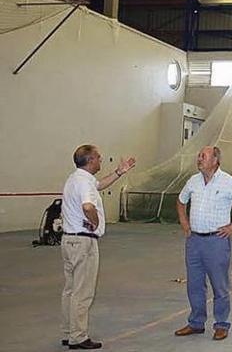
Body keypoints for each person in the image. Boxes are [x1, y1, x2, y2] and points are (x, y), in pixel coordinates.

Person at [174, 146, 232, 341]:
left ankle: (221, 324)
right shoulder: (193, 181)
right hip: (194, 241)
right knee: (194, 285)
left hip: (216, 241)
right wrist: (185, 223)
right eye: (199, 155)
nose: (199, 158)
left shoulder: (229, 182)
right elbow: (180, 201)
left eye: (203, 156)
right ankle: (196, 323)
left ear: (215, 160)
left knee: (219, 286)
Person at [61, 145, 136, 350]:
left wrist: (120, 172)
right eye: (98, 157)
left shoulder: (77, 178)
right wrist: (94, 222)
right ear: (89, 160)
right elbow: (88, 206)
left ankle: (69, 331)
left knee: (70, 290)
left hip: (69, 240)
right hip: (83, 242)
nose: (101, 160)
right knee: (83, 292)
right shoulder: (83, 183)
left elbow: (100, 185)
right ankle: (78, 336)